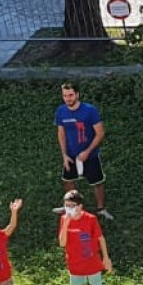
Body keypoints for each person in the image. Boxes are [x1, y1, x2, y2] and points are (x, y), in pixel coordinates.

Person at [55, 83, 110, 221]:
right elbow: (61, 133)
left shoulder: (90, 110)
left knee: (97, 182)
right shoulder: (61, 111)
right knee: (68, 181)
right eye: (65, 96)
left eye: (71, 95)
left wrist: (87, 151)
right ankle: (71, 207)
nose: (68, 98)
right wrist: (64, 155)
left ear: (77, 94)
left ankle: (101, 209)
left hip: (90, 155)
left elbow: (100, 133)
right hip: (71, 154)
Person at [58, 188, 112, 285]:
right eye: (66, 205)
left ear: (80, 206)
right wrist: (66, 223)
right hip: (75, 263)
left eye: (72, 205)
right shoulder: (64, 219)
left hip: (92, 263)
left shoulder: (91, 219)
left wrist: (106, 258)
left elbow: (100, 238)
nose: (68, 208)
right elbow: (62, 243)